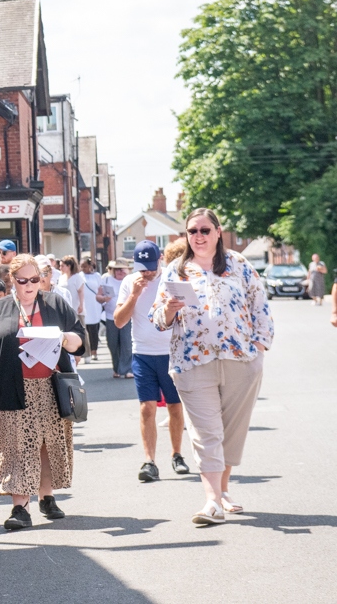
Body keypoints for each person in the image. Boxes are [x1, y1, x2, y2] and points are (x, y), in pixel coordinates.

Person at [150, 208, 273, 525]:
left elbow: (260, 306)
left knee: (231, 430)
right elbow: (158, 319)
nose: (199, 236)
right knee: (206, 433)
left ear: (218, 232)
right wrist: (170, 309)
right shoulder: (176, 270)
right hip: (192, 362)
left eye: (205, 230)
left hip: (240, 360)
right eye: (192, 231)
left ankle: (223, 490)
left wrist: (260, 348)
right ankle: (212, 502)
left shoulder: (238, 264)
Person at [0, 254, 85, 530]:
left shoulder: (55, 303)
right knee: (17, 447)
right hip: (11, 386)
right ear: (12, 281)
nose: (30, 285)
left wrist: (63, 338)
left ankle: (46, 496)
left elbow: (79, 340)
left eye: (34, 279)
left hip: (50, 386)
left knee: (46, 444)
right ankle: (20, 507)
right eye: (23, 281)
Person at [114, 241, 189, 483]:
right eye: (142, 267)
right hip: (143, 353)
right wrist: (134, 295)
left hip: (171, 352)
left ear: (160, 260)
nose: (146, 272)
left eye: (150, 266)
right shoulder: (130, 282)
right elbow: (119, 321)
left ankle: (177, 454)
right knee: (147, 408)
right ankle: (149, 461)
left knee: (175, 407)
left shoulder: (171, 279)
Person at [100, 259, 133, 378]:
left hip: (127, 316)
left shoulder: (130, 280)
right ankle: (117, 368)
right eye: (117, 269)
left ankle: (127, 369)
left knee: (127, 343)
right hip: (110, 316)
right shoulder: (106, 280)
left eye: (122, 269)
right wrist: (104, 299)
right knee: (112, 344)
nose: (120, 272)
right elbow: (98, 296)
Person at [59, 256, 86, 363]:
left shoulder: (77, 277)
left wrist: (81, 305)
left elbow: (81, 292)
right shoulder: (61, 277)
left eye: (62, 266)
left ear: (69, 266)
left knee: (80, 331)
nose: (60, 268)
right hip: (66, 309)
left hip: (76, 307)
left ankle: (86, 353)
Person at [80, 257, 103, 362]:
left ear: (90, 266)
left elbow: (100, 289)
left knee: (94, 329)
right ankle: (86, 352)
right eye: (81, 266)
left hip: (94, 305)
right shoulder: (80, 276)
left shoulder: (97, 276)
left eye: (85, 266)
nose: (83, 268)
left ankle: (94, 351)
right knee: (85, 330)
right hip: (84, 305)